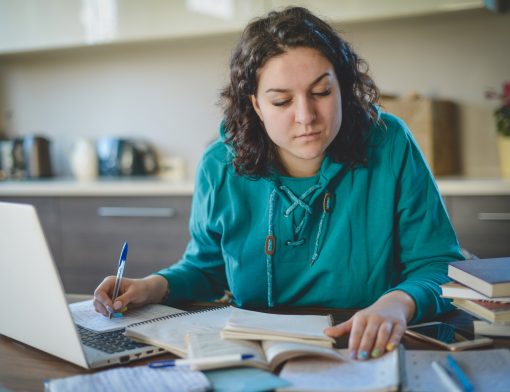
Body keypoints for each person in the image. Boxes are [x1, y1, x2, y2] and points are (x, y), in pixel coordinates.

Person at [94, 7, 463, 361]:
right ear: (256, 105)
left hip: (363, 346)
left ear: (343, 87)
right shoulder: (219, 164)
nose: (306, 117)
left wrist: (396, 304)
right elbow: (207, 268)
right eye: (281, 101)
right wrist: (151, 286)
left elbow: (439, 265)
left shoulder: (390, 142)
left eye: (321, 93)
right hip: (253, 347)